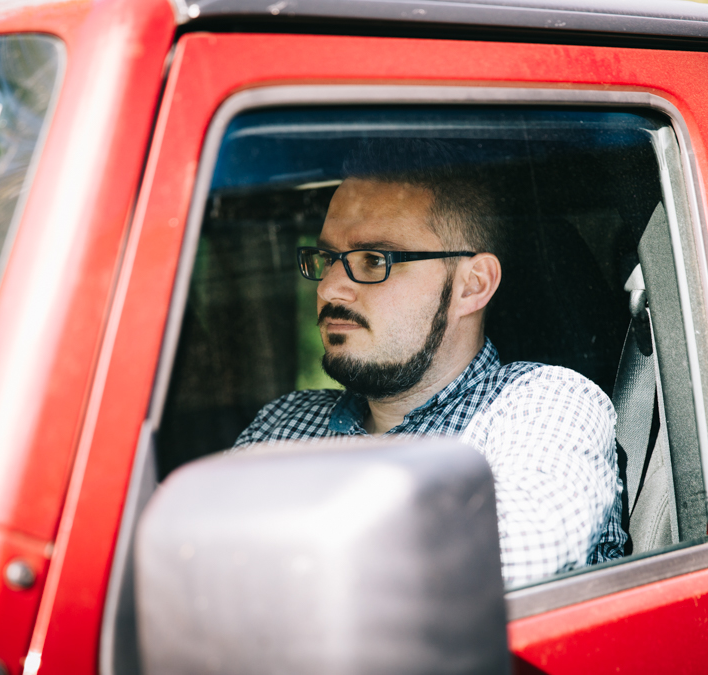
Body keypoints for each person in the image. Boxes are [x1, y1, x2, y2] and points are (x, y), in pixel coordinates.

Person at [234, 141, 625, 588]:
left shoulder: (541, 406)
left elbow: (502, 569)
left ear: (471, 286)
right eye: (326, 260)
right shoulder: (283, 424)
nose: (329, 289)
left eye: (374, 260)